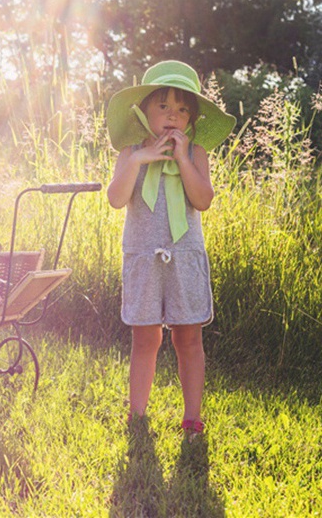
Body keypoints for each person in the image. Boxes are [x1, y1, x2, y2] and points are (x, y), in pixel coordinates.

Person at [105, 60, 236, 438]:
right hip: (143, 256)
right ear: (144, 111)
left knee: (188, 337)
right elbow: (116, 199)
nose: (173, 116)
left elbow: (202, 199)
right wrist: (138, 160)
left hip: (185, 256)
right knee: (145, 337)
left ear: (191, 119)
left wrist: (181, 157)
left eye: (182, 110)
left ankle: (192, 416)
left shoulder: (196, 153)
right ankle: (137, 413)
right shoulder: (130, 152)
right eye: (164, 106)